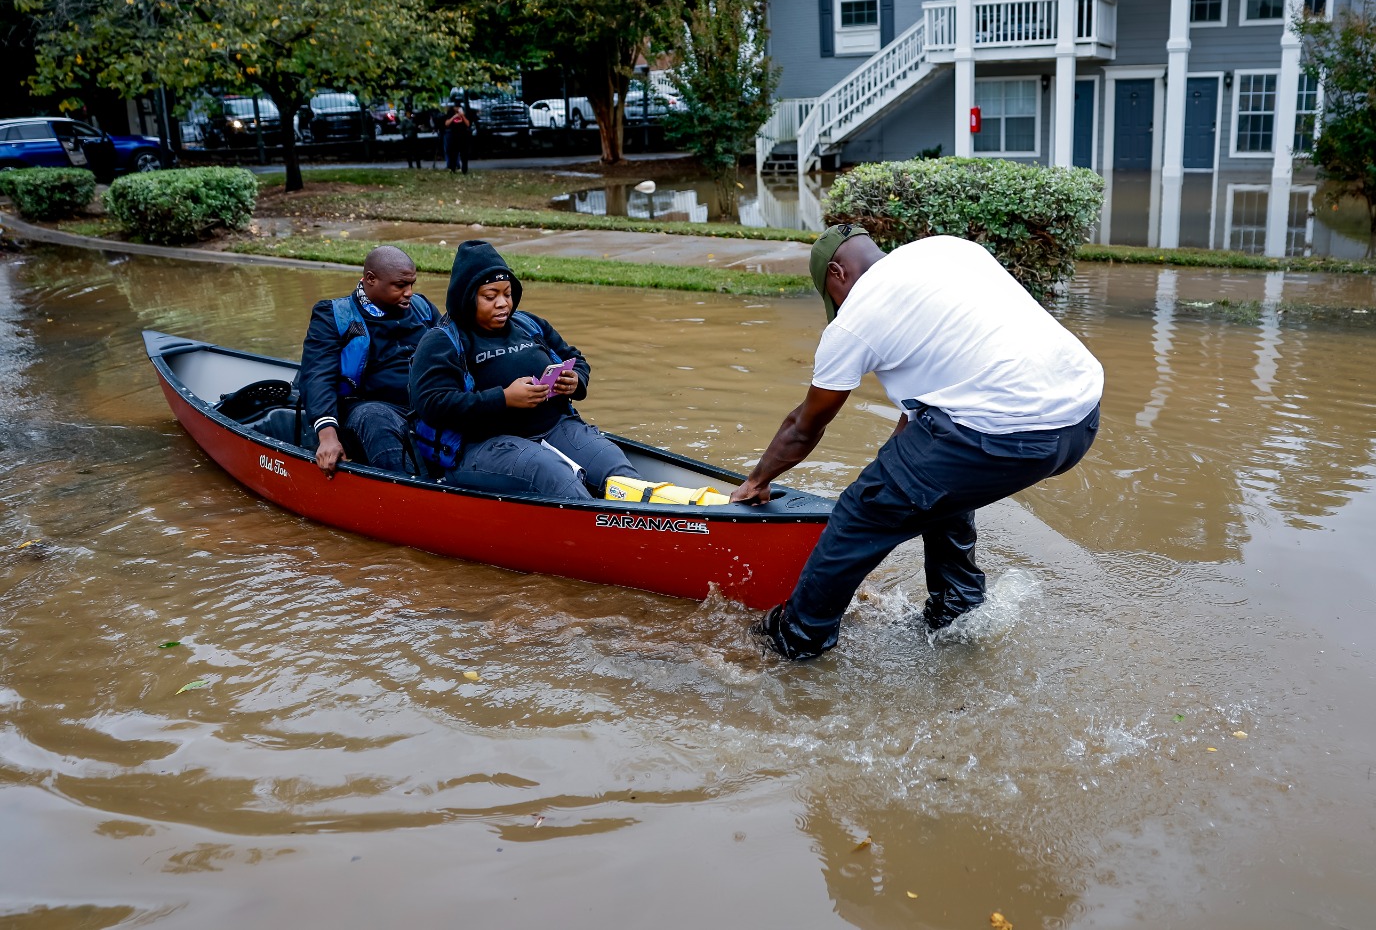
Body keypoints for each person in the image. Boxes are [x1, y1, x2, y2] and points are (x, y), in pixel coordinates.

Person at [731, 225, 1104, 661]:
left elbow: (803, 427)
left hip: (1006, 429)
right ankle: (957, 614)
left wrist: (756, 482)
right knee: (932, 489)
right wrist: (895, 471)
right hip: (1080, 417)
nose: (838, 308)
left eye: (833, 298)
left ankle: (794, 641)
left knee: (861, 512)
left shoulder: (856, 320)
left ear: (837, 274)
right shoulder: (945, 251)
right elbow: (926, 411)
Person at [408, 239, 640, 498]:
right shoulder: (441, 341)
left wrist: (576, 380)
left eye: (507, 294)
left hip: (555, 428)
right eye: (490, 296)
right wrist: (504, 399)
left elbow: (575, 357)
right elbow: (430, 403)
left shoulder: (529, 324)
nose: (502, 303)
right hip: (482, 446)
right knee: (557, 478)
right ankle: (598, 529)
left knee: (618, 471)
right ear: (466, 297)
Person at [299, 246, 439, 478]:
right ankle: (405, 493)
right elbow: (317, 375)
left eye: (412, 284)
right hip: (366, 408)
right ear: (371, 279)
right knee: (375, 417)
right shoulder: (334, 315)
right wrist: (327, 436)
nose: (409, 292)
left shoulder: (423, 309)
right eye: (400, 285)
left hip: (424, 402)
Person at [442, 104, 471, 174]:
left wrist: (462, 116)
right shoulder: (450, 113)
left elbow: (468, 124)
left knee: (464, 154)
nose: (457, 108)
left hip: (463, 135)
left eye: (458, 107)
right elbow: (446, 123)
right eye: (456, 107)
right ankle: (453, 168)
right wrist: (454, 117)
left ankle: (464, 169)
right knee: (453, 153)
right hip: (453, 135)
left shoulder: (464, 113)